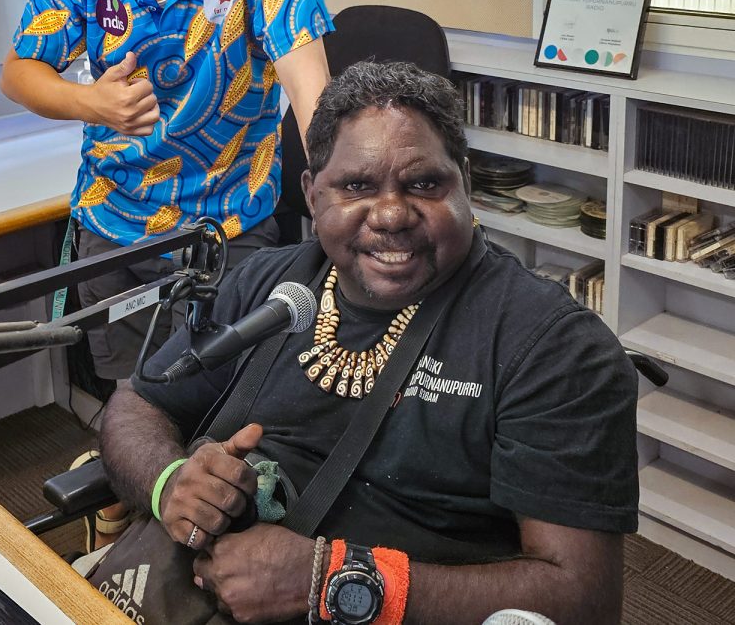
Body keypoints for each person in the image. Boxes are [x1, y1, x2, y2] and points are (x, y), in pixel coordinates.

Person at [97, 61, 638, 623]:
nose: (390, 214)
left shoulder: (553, 348)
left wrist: (330, 581)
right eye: (356, 186)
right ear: (312, 194)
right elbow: (138, 403)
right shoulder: (265, 282)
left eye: (424, 184)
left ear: (466, 184)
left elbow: (582, 600)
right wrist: (170, 483)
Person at [0, 0, 332, 383]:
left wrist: (336, 199)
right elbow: (18, 70)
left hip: (227, 227)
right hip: (113, 220)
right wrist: (91, 104)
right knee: (132, 398)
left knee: (215, 400)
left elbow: (315, 100)